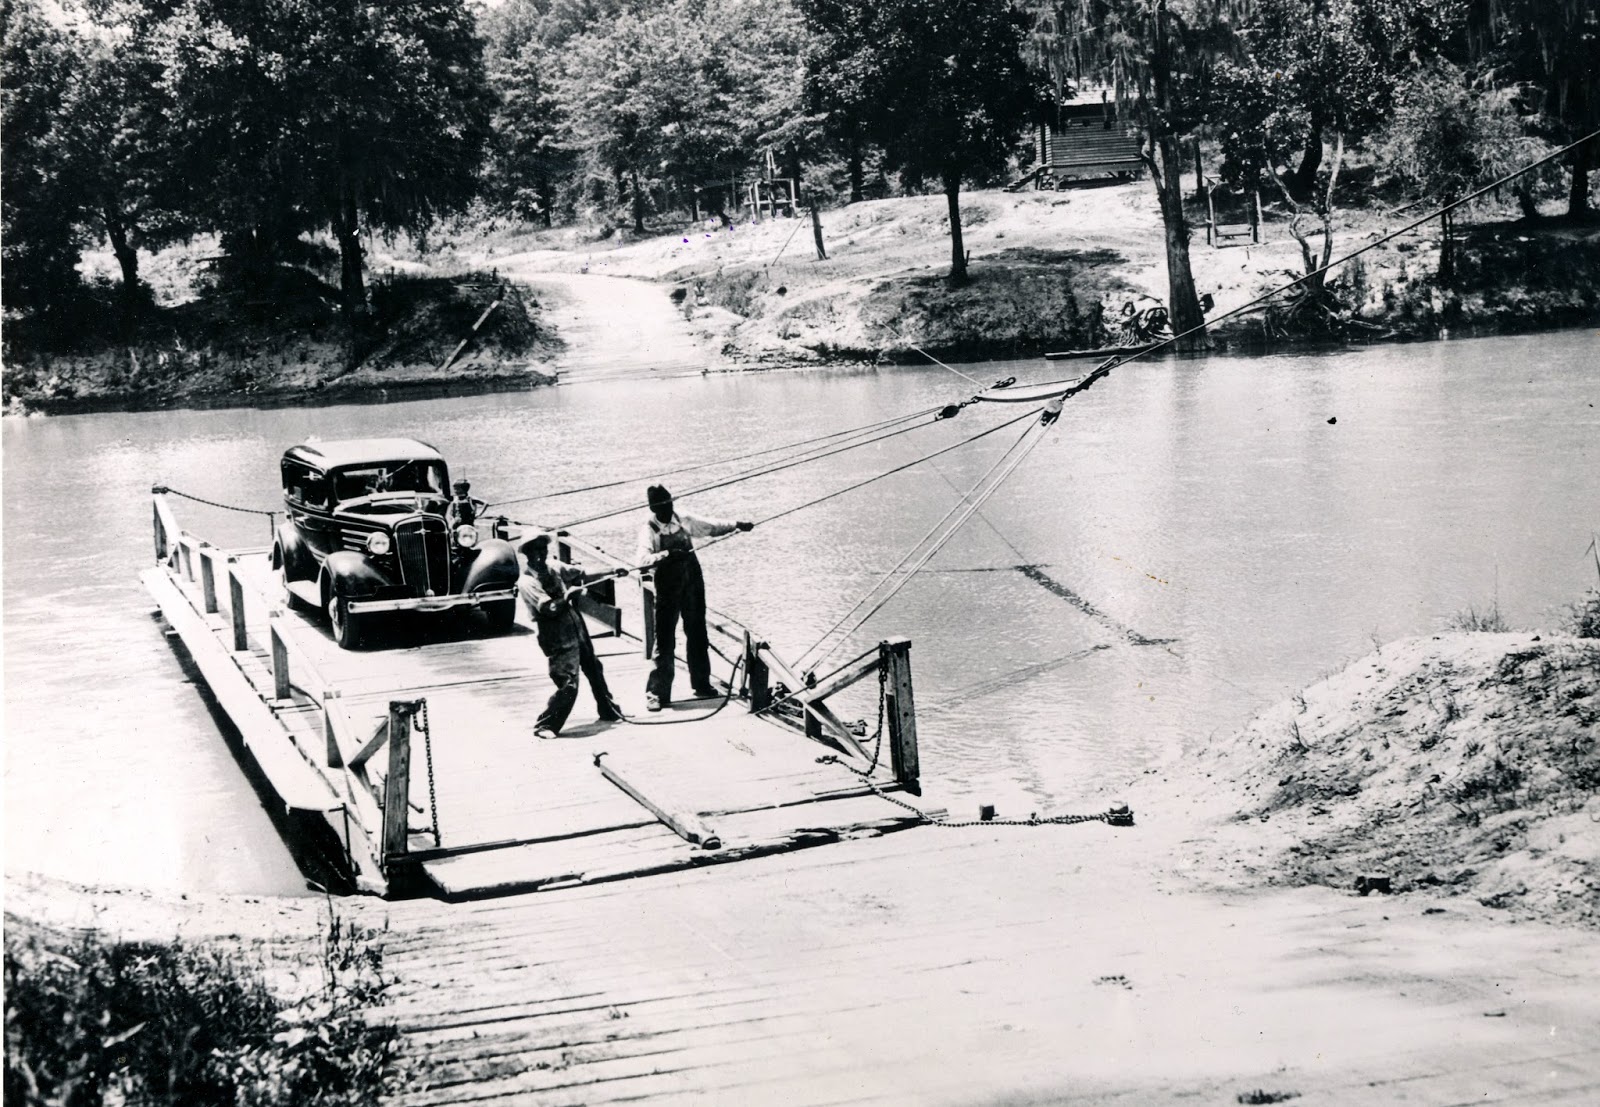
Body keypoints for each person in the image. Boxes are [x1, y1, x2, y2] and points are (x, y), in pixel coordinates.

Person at [636, 485, 753, 711]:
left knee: (698, 633)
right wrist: (667, 555)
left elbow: (711, 527)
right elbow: (642, 559)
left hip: (692, 585)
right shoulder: (649, 530)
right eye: (663, 505)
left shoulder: (684, 520)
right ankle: (657, 693)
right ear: (653, 508)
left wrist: (737, 525)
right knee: (665, 639)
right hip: (668, 589)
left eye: (670, 502)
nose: (669, 507)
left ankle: (702, 684)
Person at [518, 533, 625, 739]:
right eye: (536, 551)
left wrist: (612, 571)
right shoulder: (526, 582)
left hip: (575, 624)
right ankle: (546, 724)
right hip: (554, 632)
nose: (541, 554)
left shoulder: (554, 568)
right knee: (568, 681)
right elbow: (549, 608)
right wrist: (569, 596)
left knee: (594, 668)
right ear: (527, 554)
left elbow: (583, 574)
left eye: (543, 549)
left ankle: (608, 709)